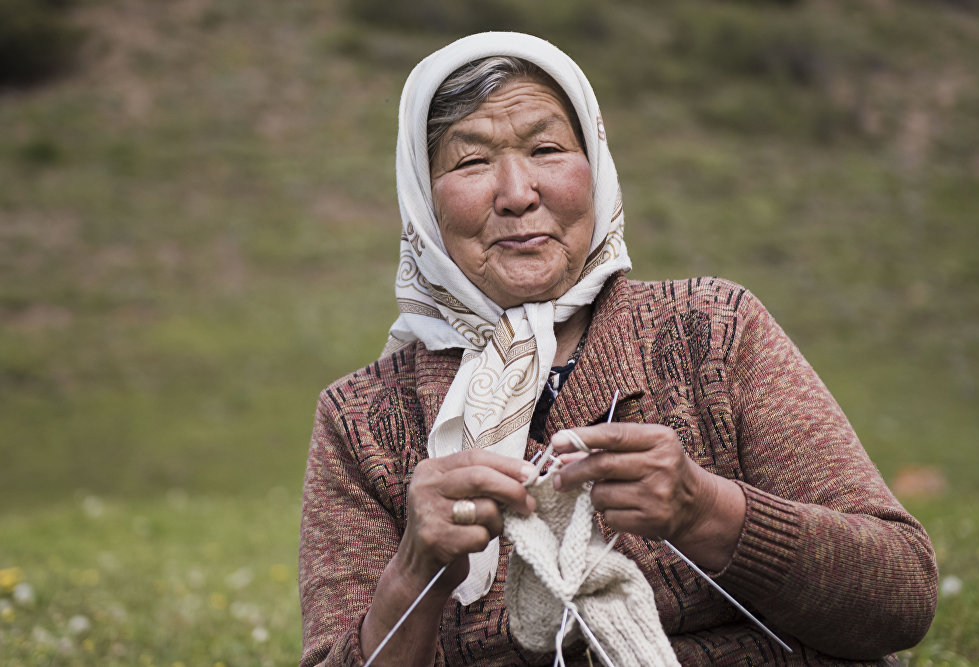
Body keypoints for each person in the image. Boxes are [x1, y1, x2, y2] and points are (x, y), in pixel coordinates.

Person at [298, 32, 937, 666]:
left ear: (595, 167)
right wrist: (415, 572)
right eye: (470, 162)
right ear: (421, 200)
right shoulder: (362, 420)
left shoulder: (711, 330)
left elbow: (902, 597)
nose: (518, 193)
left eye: (547, 148)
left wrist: (707, 509)